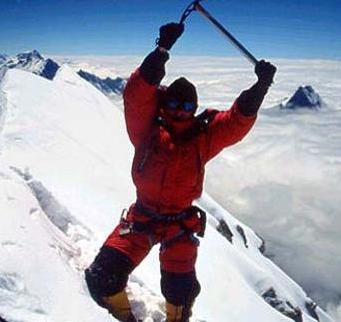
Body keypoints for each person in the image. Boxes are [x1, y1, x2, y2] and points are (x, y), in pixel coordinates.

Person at [85, 22, 276, 322]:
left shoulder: (203, 136)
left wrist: (260, 87)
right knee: (101, 278)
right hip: (142, 218)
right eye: (173, 102)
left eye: (187, 105)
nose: (178, 109)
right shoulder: (147, 129)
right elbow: (136, 96)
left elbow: (235, 122)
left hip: (178, 225)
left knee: (180, 293)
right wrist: (161, 51)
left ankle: (178, 317)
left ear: (194, 108)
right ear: (164, 103)